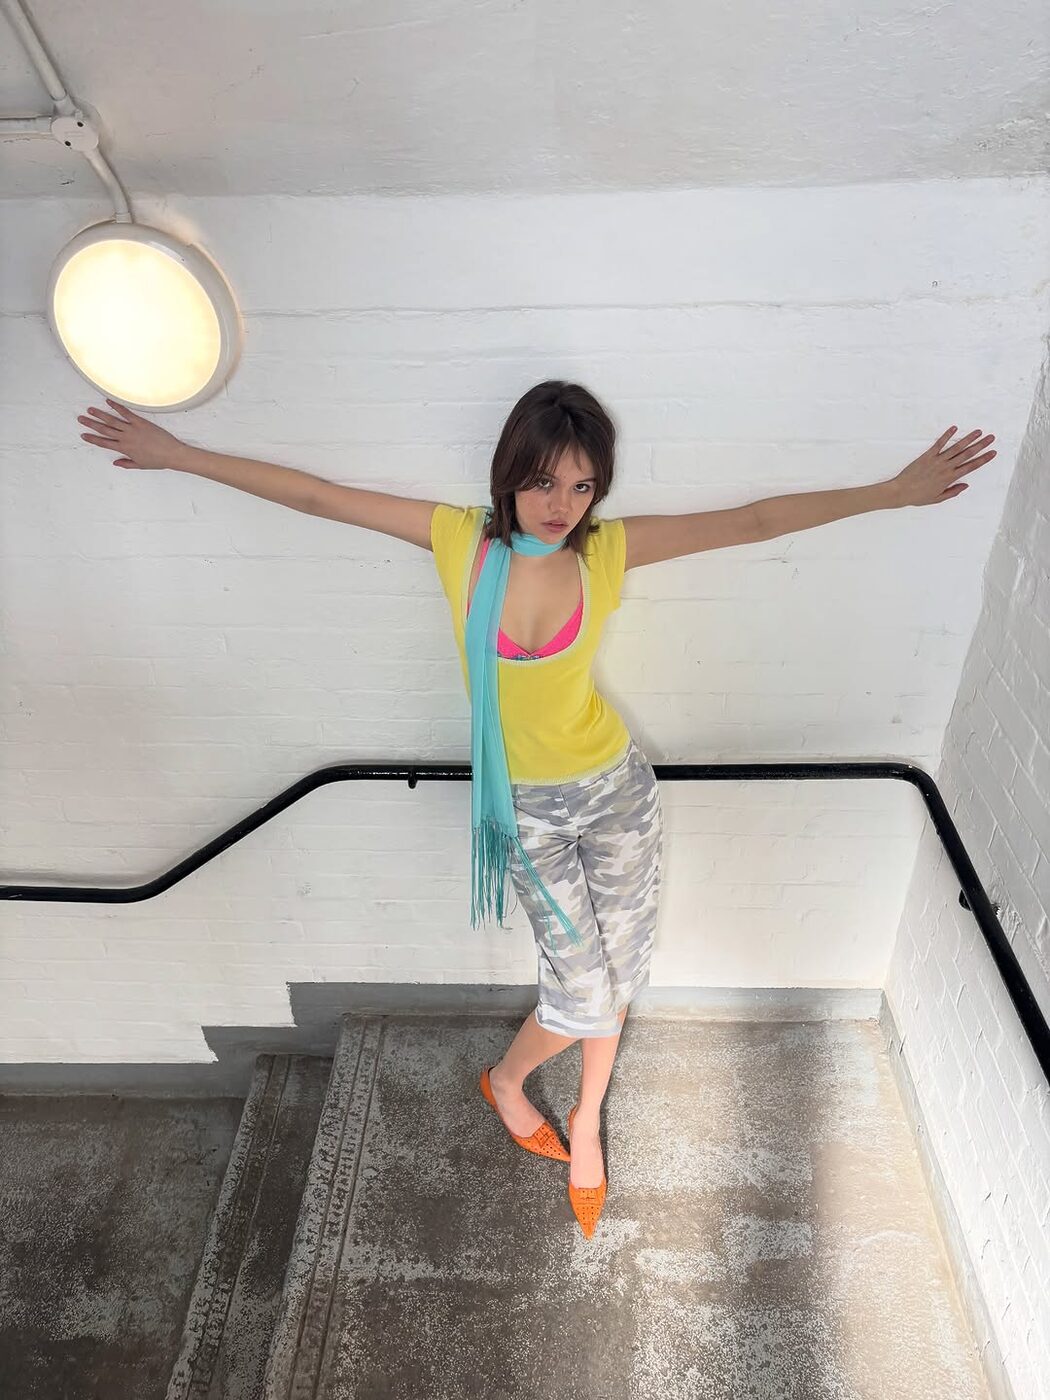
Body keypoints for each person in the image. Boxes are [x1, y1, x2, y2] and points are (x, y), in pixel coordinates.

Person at [77, 382, 996, 1238]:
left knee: (617, 974)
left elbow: (752, 521)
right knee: (582, 988)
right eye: (546, 481)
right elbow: (318, 496)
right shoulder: (458, 544)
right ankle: (508, 1081)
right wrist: (178, 454)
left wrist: (893, 493)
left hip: (617, 793)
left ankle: (586, 1119)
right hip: (525, 811)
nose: (562, 505)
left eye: (583, 486)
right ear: (510, 473)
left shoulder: (606, 552)